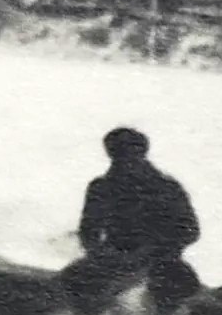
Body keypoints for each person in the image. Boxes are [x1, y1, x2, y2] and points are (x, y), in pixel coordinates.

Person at [70, 128, 205, 302]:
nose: (124, 159)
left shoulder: (167, 187)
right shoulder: (101, 187)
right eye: (118, 152)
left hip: (161, 263)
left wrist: (153, 251)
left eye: (129, 152)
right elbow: (88, 232)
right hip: (114, 262)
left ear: (141, 152)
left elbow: (190, 231)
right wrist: (105, 254)